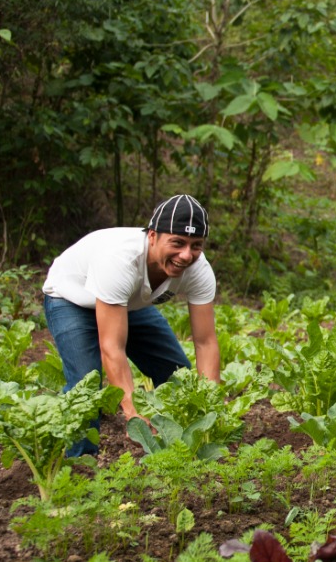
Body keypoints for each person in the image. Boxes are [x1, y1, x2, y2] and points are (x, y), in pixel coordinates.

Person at [42, 194, 221, 455]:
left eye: (196, 245)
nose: (186, 255)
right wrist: (133, 413)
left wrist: (210, 408)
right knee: (86, 386)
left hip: (126, 303)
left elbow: (205, 342)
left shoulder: (199, 270)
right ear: (151, 236)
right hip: (73, 299)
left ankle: (179, 445)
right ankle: (79, 465)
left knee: (175, 373)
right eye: (178, 243)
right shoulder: (120, 260)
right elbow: (112, 347)